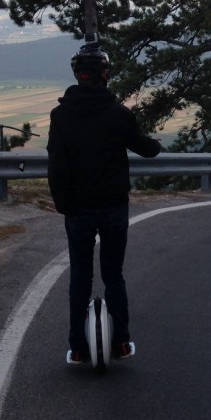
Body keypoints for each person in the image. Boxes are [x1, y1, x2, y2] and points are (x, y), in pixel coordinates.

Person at [47, 37, 162, 364]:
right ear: (104, 74)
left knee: (80, 278)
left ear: (77, 74)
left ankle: (79, 349)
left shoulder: (60, 116)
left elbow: (56, 165)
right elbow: (144, 147)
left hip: (78, 210)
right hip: (113, 207)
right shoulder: (118, 114)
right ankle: (122, 343)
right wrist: (156, 146)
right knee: (113, 275)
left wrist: (63, 204)